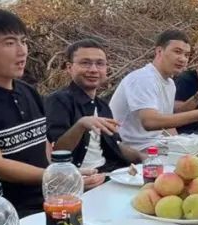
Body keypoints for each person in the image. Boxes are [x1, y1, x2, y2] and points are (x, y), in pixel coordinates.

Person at [0, 8, 105, 217]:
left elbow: (45, 147)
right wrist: (57, 177)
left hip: (51, 201)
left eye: (23, 42)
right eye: (10, 43)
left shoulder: (28, 92)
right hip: (4, 214)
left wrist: (65, 177)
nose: (22, 51)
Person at [45, 38, 143, 173]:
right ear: (69, 67)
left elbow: (114, 146)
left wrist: (144, 157)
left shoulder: (102, 106)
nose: (93, 69)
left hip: (109, 172)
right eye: (85, 63)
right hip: (77, 177)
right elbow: (57, 151)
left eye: (100, 64)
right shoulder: (58, 101)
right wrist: (81, 125)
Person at [109, 30, 198, 150]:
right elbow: (150, 122)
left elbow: (168, 123)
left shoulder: (170, 83)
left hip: (156, 145)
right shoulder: (143, 78)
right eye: (177, 52)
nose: (182, 59)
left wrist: (183, 147)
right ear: (159, 51)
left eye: (187, 55)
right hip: (131, 149)